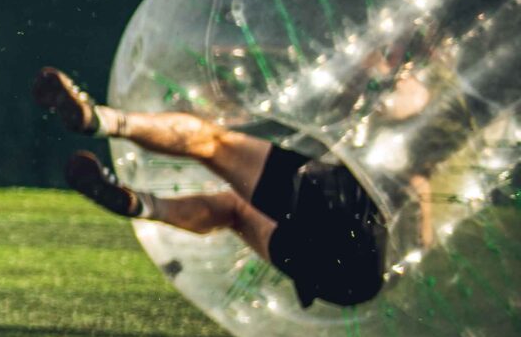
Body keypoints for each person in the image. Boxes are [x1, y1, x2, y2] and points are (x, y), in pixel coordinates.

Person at [33, 67, 387, 309]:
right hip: (351, 281)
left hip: (346, 207)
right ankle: (142, 204)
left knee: (212, 143)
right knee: (235, 211)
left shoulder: (413, 93)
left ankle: (103, 120)